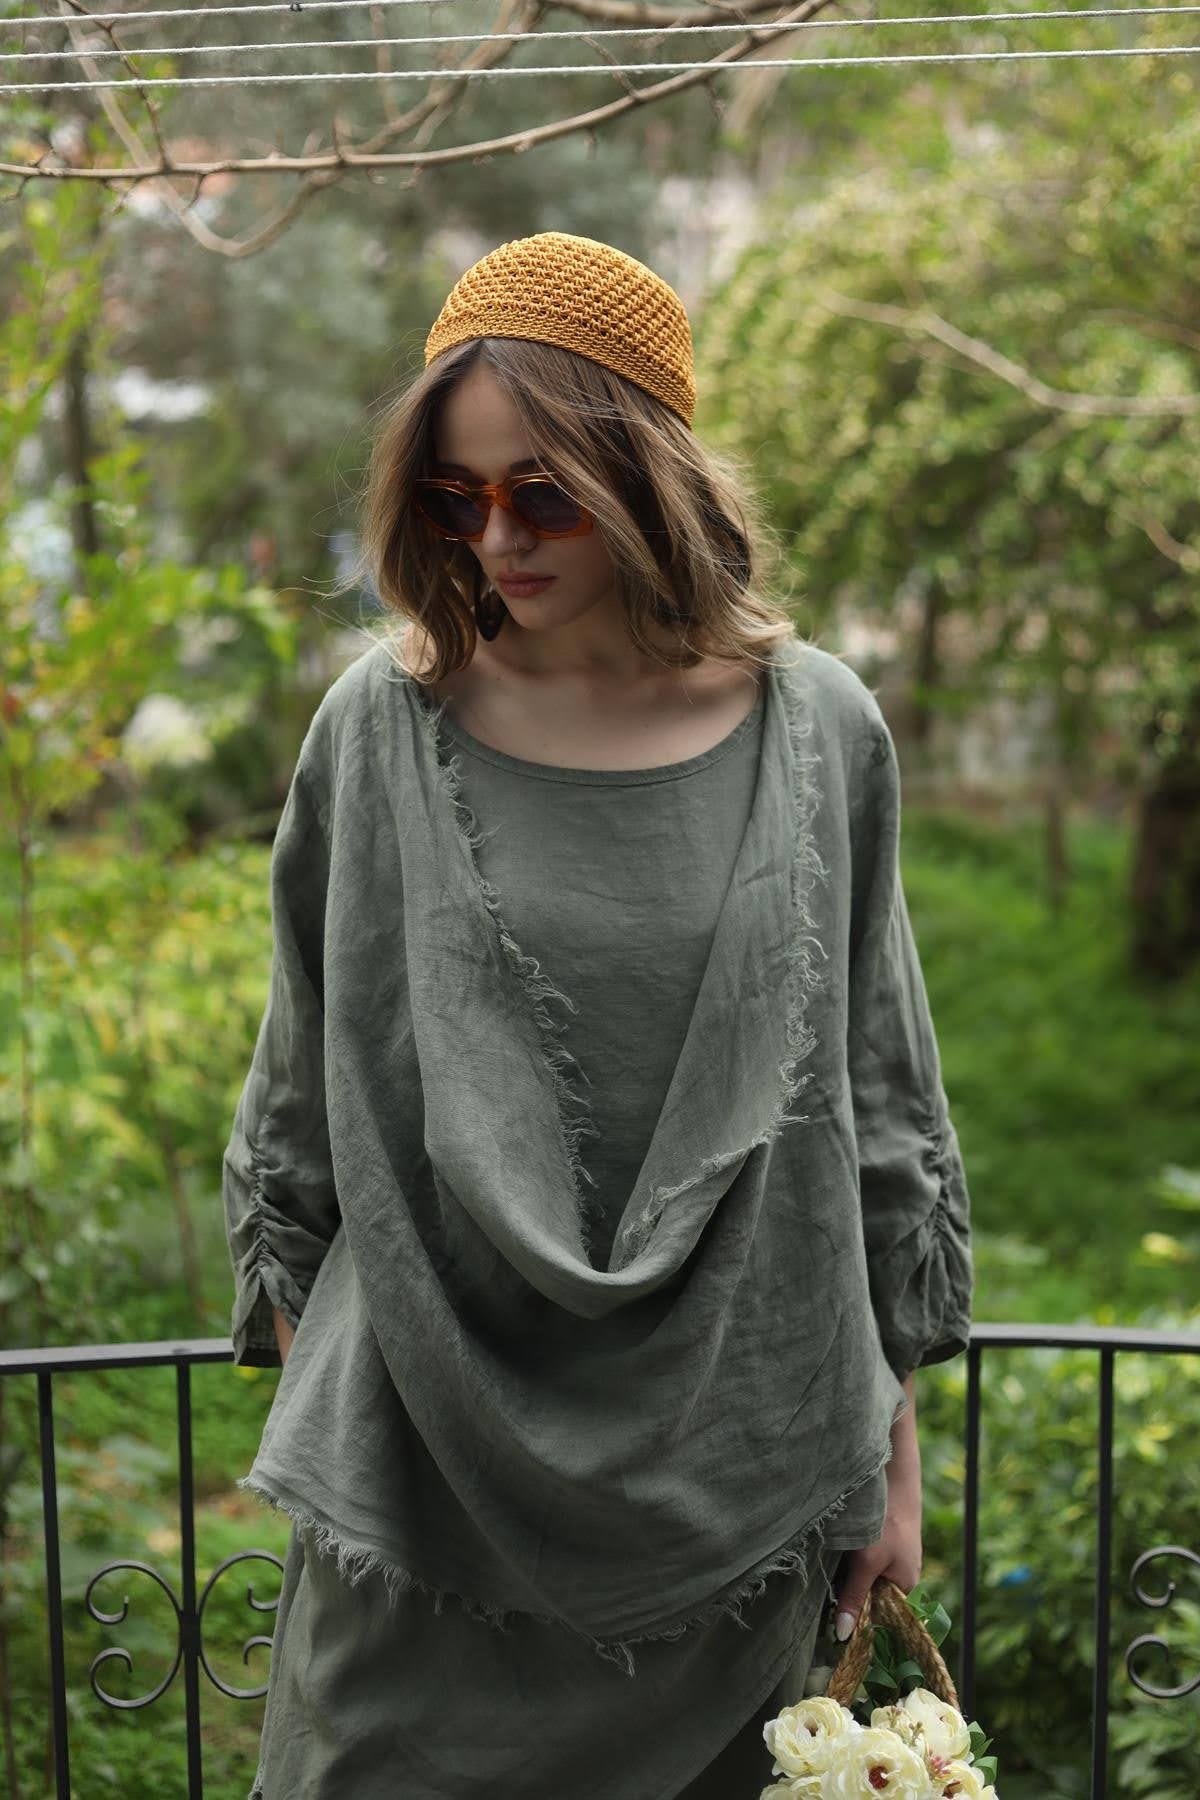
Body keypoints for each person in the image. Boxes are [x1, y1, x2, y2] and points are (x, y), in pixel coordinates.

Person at [222, 230, 973, 1800]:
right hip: (420, 1548)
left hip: (737, 1525)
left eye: (543, 492)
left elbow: (881, 1126)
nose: (497, 536)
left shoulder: (820, 731)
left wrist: (889, 1470)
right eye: (456, 497)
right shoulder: (378, 729)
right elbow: (297, 1128)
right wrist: (370, 1436)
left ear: (649, 475)